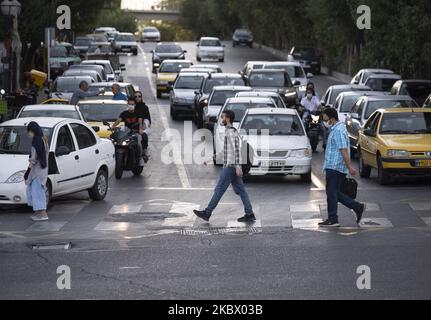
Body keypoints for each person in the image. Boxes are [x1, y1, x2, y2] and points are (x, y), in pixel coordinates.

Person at [193, 110, 255, 223]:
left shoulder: (231, 132)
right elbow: (225, 151)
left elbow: (236, 150)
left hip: (230, 166)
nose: (222, 119)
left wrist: (237, 166)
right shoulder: (230, 131)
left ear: (228, 118)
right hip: (231, 165)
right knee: (241, 190)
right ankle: (249, 213)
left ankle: (207, 213)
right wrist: (211, 158)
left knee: (219, 190)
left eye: (223, 117)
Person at [318, 108, 366, 227]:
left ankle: (333, 219)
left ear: (331, 117)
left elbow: (343, 150)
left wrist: (349, 167)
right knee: (334, 193)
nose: (323, 118)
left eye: (324, 116)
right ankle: (357, 207)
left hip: (335, 167)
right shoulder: (336, 129)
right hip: (334, 166)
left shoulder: (338, 130)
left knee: (332, 194)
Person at [26, 121, 49, 222]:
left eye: (29, 131)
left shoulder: (36, 142)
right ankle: (38, 213)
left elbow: (33, 159)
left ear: (32, 131)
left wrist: (27, 172)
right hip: (43, 170)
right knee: (36, 191)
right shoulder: (43, 139)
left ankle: (43, 214)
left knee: (37, 192)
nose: (28, 134)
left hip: (37, 172)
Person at [111, 98, 145, 165]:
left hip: (136, 132)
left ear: (135, 105)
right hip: (127, 132)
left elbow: (140, 121)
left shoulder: (138, 112)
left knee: (139, 143)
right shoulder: (124, 113)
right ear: (127, 104)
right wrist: (113, 126)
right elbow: (119, 120)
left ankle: (140, 158)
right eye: (129, 104)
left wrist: (140, 129)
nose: (131, 105)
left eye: (132, 104)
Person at [134, 91, 152, 162]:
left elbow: (148, 118)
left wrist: (144, 124)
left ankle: (145, 151)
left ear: (141, 97)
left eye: (139, 96)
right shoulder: (132, 106)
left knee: (144, 135)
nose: (137, 98)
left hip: (143, 126)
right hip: (133, 125)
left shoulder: (145, 107)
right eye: (136, 96)